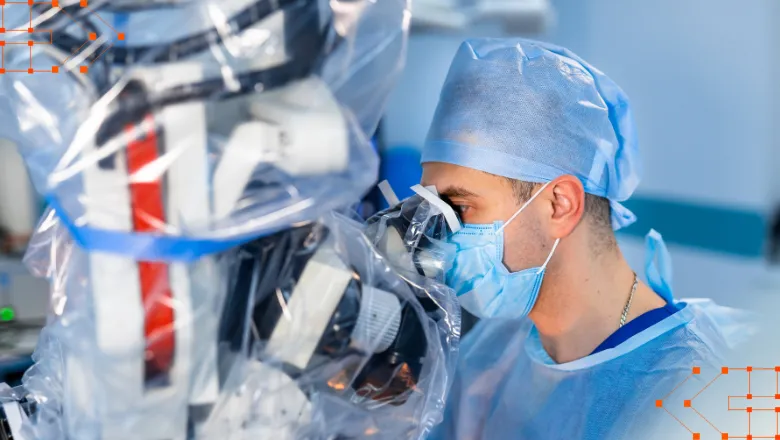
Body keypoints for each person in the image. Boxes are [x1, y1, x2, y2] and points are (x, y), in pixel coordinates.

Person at [422, 38, 753, 440]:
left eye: (459, 208)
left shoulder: (693, 403)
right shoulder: (494, 352)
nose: (439, 235)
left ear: (560, 204)